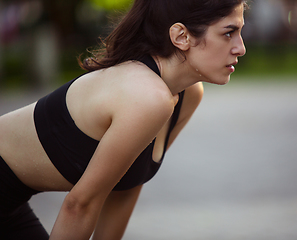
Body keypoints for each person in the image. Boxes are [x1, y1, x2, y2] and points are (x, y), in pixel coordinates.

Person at [0, 0, 247, 239]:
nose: (241, 48)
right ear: (181, 36)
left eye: (240, 32)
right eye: (228, 33)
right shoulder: (147, 96)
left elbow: (126, 187)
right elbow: (79, 205)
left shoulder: (188, 95)